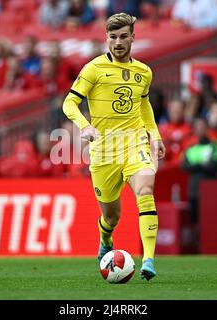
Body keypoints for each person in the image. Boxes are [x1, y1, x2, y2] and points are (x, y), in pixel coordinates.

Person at [62, 13, 166, 280]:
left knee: (146, 189)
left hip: (134, 143)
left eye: (123, 36)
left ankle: (150, 260)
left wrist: (154, 135)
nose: (118, 42)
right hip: (104, 150)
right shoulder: (93, 69)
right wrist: (84, 125)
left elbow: (144, 105)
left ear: (133, 37)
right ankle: (105, 237)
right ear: (106, 38)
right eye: (112, 37)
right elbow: (69, 103)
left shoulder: (144, 72)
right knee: (111, 216)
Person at [181, 117, 217, 252]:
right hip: (194, 189)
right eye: (197, 127)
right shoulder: (191, 148)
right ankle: (198, 247)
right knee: (195, 220)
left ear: (207, 129)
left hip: (210, 190)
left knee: (210, 220)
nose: (200, 130)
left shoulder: (214, 145)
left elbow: (213, 166)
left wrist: (195, 165)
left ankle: (211, 246)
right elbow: (184, 166)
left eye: (203, 127)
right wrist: (201, 164)